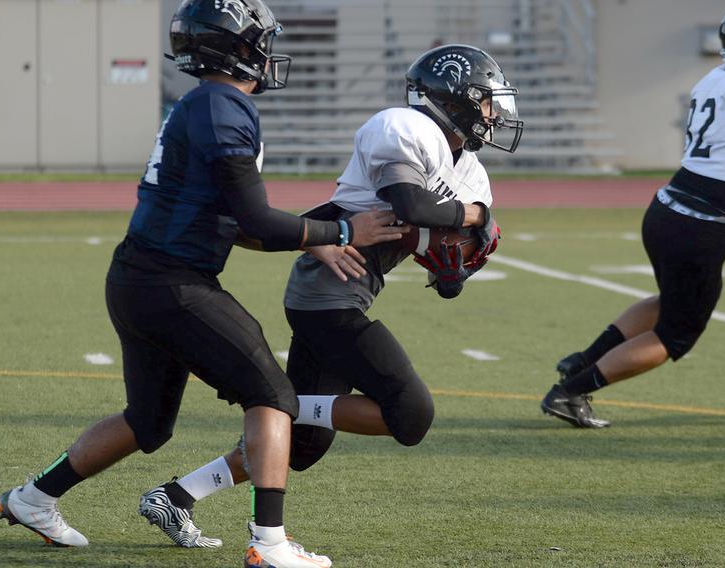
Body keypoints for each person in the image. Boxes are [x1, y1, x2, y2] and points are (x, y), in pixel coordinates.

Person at [0, 2, 407, 567]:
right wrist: (341, 227)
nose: (265, 52)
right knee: (273, 396)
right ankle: (269, 545)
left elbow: (237, 224)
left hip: (138, 279)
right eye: (258, 41)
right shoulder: (223, 104)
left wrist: (312, 238)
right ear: (234, 47)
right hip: (172, 285)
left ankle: (33, 498)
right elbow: (257, 221)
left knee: (148, 422)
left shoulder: (203, 103)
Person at [133, 44, 523, 552]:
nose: (495, 113)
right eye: (487, 102)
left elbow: (443, 261)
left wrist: (454, 269)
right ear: (456, 98)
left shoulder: (470, 171)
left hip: (355, 293)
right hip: (325, 296)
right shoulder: (404, 126)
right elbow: (409, 203)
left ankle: (176, 495)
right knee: (410, 414)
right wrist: (475, 218)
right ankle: (279, 407)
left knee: (304, 447)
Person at [541, 3, 725, 428]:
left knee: (668, 302)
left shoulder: (714, 78)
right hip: (700, 222)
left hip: (666, 210)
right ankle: (572, 391)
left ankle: (580, 363)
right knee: (678, 333)